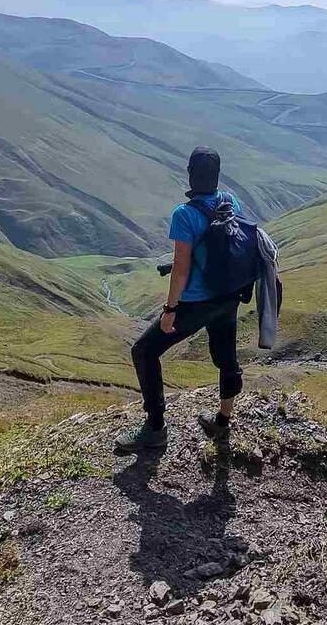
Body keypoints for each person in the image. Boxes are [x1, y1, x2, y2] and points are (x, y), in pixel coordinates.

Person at [115, 146, 246, 453]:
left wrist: (170, 309)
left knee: (144, 352)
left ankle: (155, 429)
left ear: (190, 174)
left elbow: (183, 268)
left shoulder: (184, 215)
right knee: (226, 359)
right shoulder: (231, 201)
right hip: (228, 296)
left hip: (196, 303)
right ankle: (222, 423)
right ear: (217, 175)